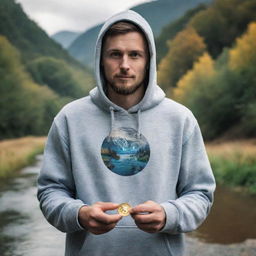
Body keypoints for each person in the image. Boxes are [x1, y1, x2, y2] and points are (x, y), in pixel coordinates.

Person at [37, 10, 216, 256]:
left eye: (134, 55)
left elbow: (200, 194)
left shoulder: (180, 119)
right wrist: (79, 214)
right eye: (114, 54)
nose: (124, 65)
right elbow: (50, 191)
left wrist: (169, 215)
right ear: (101, 59)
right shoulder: (70, 118)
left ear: (148, 60)